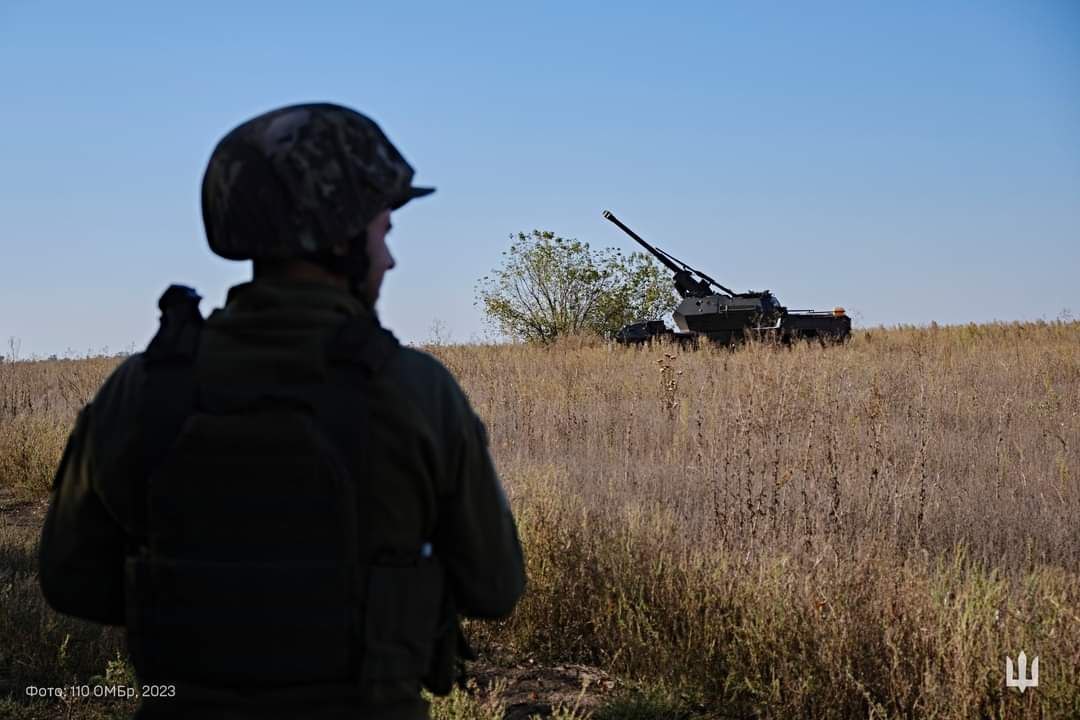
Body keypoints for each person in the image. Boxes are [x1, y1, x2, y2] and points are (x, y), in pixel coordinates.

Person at [38, 102, 526, 719]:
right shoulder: (415, 390)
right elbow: (494, 586)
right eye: (384, 233)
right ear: (343, 240)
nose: (390, 259)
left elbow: (70, 579)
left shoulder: (142, 389)